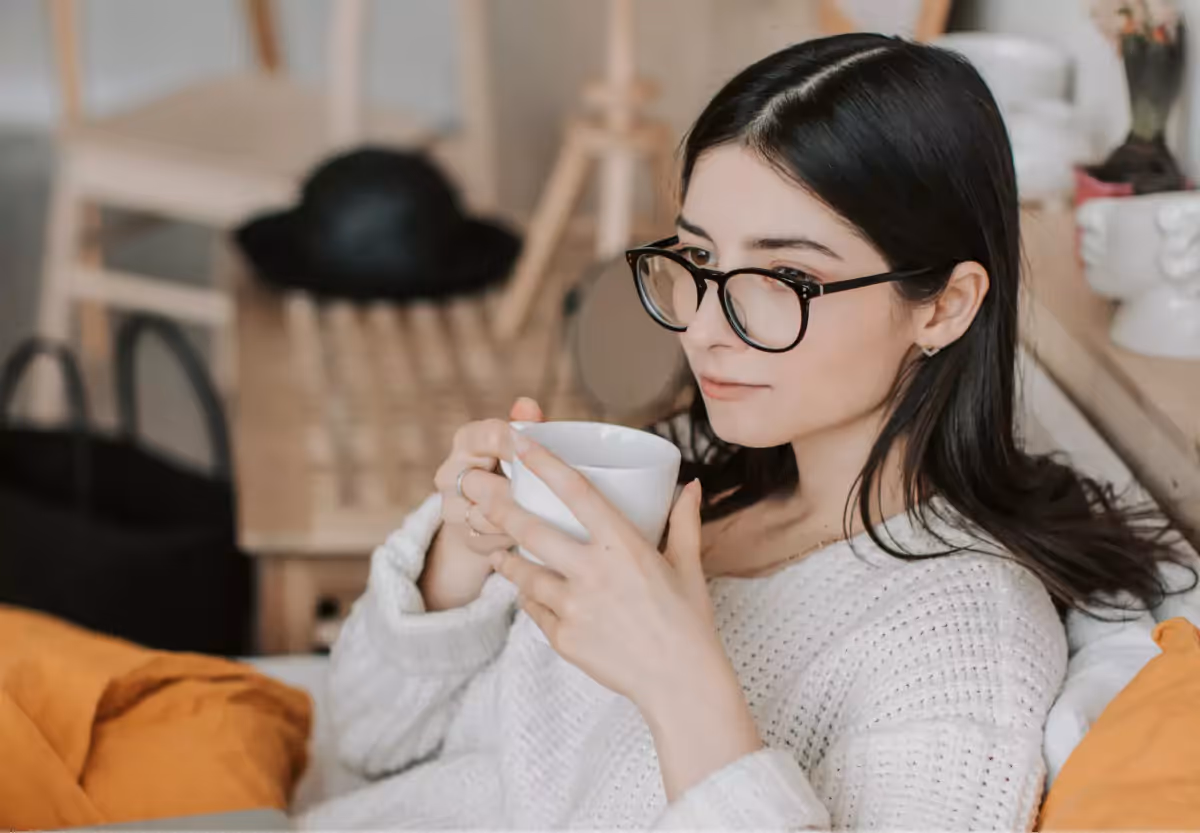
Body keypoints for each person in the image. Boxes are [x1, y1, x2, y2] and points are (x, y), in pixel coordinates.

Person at [299, 34, 1194, 830]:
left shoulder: (962, 637)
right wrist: (458, 552)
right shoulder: (689, 471)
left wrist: (679, 681)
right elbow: (368, 741)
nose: (704, 329)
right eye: (698, 260)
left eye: (784, 277)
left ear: (946, 306)